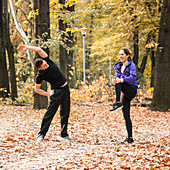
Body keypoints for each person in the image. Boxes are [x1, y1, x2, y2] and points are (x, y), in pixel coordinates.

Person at [18, 45, 72, 142]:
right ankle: (41, 134)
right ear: (40, 68)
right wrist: (48, 94)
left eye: (45, 63)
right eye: (44, 65)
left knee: (65, 112)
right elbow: (37, 89)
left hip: (66, 89)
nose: (46, 65)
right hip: (56, 92)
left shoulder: (48, 61)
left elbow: (39, 49)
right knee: (49, 113)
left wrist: (27, 47)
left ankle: (64, 134)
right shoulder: (40, 75)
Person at [109, 48, 138, 143]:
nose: (120, 56)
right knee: (126, 115)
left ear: (127, 55)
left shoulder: (131, 65)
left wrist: (121, 80)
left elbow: (133, 78)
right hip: (124, 92)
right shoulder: (119, 67)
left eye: (122, 54)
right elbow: (116, 79)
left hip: (131, 89)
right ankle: (130, 138)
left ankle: (117, 102)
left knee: (119, 82)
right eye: (119, 54)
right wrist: (113, 82)